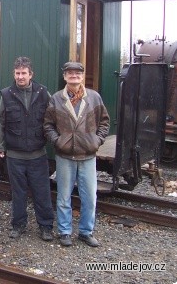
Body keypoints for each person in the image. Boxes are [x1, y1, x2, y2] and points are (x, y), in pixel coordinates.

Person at [43, 61, 110, 248]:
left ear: (82, 76)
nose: (74, 76)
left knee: (90, 196)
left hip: (88, 155)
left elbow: (104, 122)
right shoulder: (56, 99)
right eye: (70, 73)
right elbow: (47, 125)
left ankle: (86, 232)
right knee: (64, 196)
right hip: (65, 156)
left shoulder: (94, 98)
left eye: (77, 73)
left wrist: (97, 141)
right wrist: (58, 141)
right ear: (64, 77)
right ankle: (64, 231)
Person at [0, 57, 54, 241]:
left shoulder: (43, 93)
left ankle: (46, 227)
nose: (20, 77)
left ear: (31, 74)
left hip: (38, 155)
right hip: (15, 155)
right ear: (14, 74)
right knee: (18, 193)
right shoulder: (6, 94)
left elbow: (52, 119)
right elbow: (0, 121)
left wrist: (57, 141)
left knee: (42, 192)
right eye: (17, 73)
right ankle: (18, 225)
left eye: (24, 73)